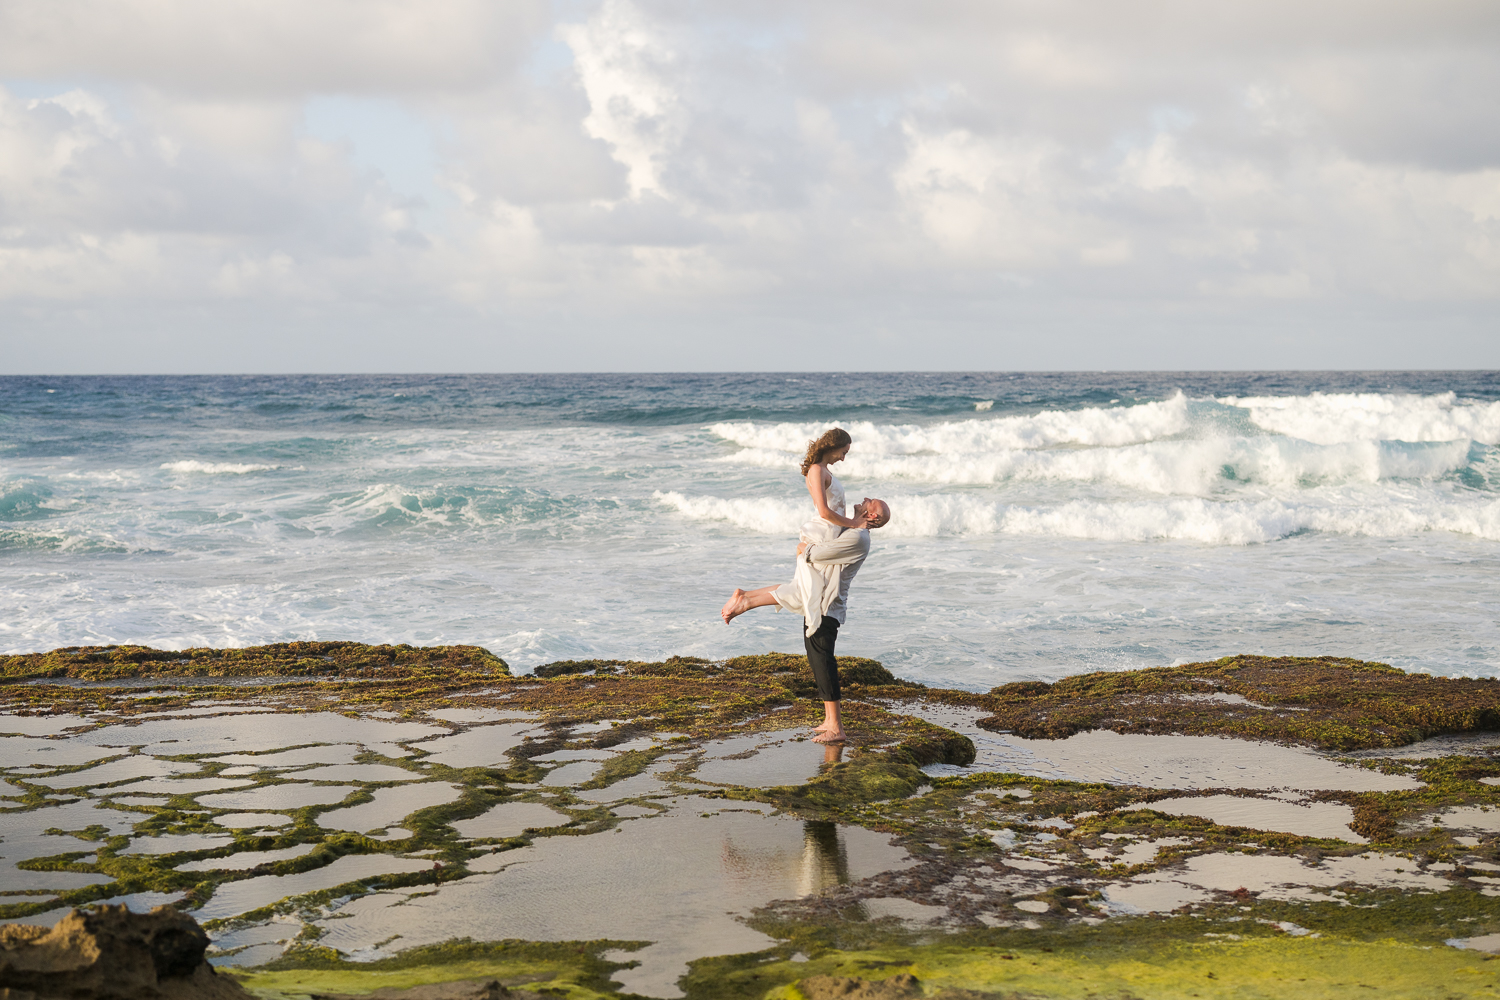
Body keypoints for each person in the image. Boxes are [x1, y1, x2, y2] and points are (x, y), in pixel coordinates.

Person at [720, 428, 891, 744]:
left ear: (871, 515)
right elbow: (825, 516)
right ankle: (829, 721)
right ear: (834, 446)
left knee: (822, 657)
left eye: (870, 502)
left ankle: (836, 727)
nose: (844, 457)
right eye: (844, 451)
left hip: (827, 603)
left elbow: (823, 546)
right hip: (823, 591)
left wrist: (806, 550)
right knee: (799, 601)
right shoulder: (828, 488)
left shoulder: (858, 536)